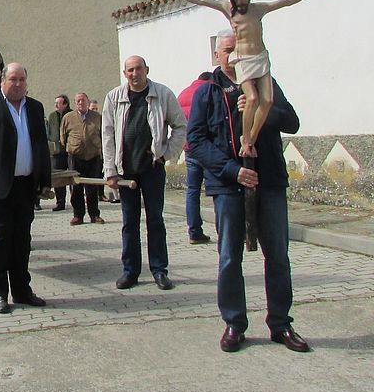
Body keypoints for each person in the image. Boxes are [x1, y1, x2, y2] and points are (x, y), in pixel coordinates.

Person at [187, 30, 307, 353]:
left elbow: (292, 121)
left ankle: (281, 324)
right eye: (227, 51)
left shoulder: (264, 82)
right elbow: (196, 142)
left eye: (237, 51)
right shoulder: (207, 92)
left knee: (278, 255)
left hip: (268, 180)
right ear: (217, 55)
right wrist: (233, 171)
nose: (233, 57)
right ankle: (234, 323)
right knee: (229, 257)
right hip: (228, 185)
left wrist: (263, 114)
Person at [160, 0, 326, 157]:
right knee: (252, 98)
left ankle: (249, 141)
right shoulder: (228, 9)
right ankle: (245, 139)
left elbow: (285, 2)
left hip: (260, 57)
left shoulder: (259, 9)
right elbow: (201, 0)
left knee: (267, 101)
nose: (240, 2)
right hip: (243, 60)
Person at [0, 63, 52, 314]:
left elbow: (41, 146)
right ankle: (0, 293)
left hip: (26, 185)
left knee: (23, 239)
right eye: (13, 79)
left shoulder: (34, 107)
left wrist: (44, 181)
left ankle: (23, 291)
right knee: (2, 239)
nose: (18, 84)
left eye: (22, 80)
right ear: (3, 81)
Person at [102, 55, 186, 291]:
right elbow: (107, 136)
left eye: (138, 69)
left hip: (152, 169)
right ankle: (131, 271)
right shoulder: (114, 97)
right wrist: (110, 170)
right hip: (125, 172)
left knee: (155, 220)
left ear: (146, 69)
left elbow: (180, 126)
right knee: (129, 223)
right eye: (130, 70)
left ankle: (159, 270)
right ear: (125, 72)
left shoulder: (162, 94)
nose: (134, 73)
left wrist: (166, 153)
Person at [178, 72, 213, 245]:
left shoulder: (184, 93)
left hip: (189, 148)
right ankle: (226, 230)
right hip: (207, 148)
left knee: (192, 191)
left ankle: (194, 232)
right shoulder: (210, 90)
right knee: (216, 189)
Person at [61, 92, 104, 226]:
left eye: (83, 100)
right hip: (75, 157)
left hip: (93, 157)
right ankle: (78, 215)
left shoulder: (97, 117)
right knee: (76, 188)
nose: (81, 103)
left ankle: (94, 215)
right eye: (78, 101)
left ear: (88, 101)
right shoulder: (68, 117)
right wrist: (72, 147)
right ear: (75, 103)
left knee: (92, 187)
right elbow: (63, 137)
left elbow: (103, 134)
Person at [46, 94, 71, 212]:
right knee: (59, 178)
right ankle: (60, 202)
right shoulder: (52, 116)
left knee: (72, 177)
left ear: (65, 104)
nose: (55, 105)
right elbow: (49, 132)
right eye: (55, 103)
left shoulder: (72, 115)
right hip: (57, 152)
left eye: (58, 103)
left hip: (70, 152)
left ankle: (75, 201)